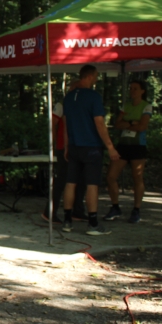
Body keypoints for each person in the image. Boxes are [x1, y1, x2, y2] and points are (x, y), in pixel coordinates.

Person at [61, 64, 119, 236]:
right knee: (92, 184)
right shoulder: (93, 96)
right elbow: (99, 123)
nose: (96, 79)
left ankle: (67, 221)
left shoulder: (68, 97)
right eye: (95, 76)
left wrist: (66, 146)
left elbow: (66, 124)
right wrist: (110, 146)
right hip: (91, 146)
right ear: (89, 76)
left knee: (71, 182)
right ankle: (93, 224)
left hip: (74, 146)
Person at [104, 79, 152, 224]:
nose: (132, 91)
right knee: (111, 176)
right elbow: (117, 124)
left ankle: (136, 210)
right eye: (130, 88)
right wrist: (132, 123)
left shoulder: (146, 106)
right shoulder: (126, 105)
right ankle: (115, 207)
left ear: (142, 91)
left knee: (137, 178)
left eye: (135, 88)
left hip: (138, 146)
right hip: (123, 145)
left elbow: (142, 127)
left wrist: (127, 124)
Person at [43, 80, 85, 223]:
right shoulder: (62, 105)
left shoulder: (81, 105)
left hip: (79, 146)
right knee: (62, 179)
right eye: (74, 88)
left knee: (81, 179)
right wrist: (54, 145)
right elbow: (52, 124)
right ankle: (49, 211)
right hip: (63, 147)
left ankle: (78, 210)